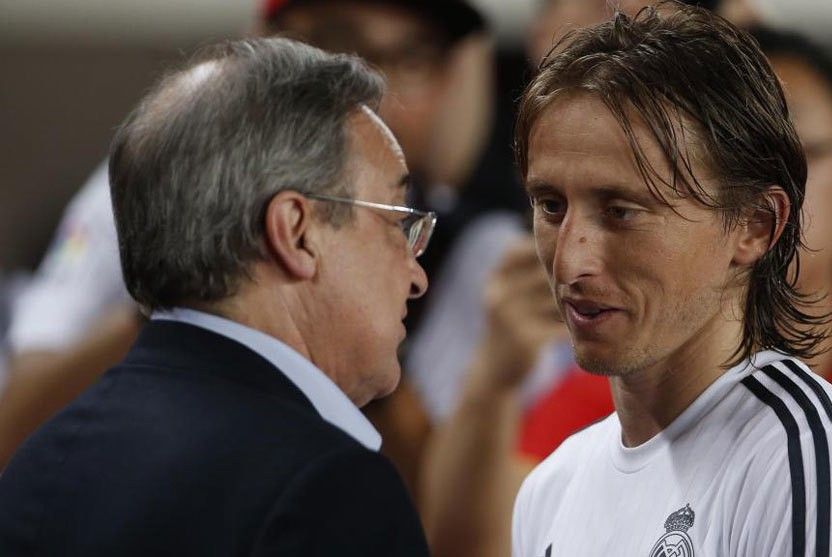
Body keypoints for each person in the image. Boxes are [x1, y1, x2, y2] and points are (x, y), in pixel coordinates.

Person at [449, 3, 832, 556]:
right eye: (551, 206)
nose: (570, 261)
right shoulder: (549, 489)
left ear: (754, 225)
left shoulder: (811, 457)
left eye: (621, 211)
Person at [0, 0, 512, 486]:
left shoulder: (478, 252)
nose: (374, 81)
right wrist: (191, 287)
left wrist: (353, 327)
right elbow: (18, 428)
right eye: (339, 41)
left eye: (412, 58)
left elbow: (431, 514)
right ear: (263, 47)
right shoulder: (155, 184)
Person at [0, 38, 431, 555]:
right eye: (396, 220)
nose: (416, 276)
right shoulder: (330, 491)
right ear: (296, 233)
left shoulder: (38, 465)